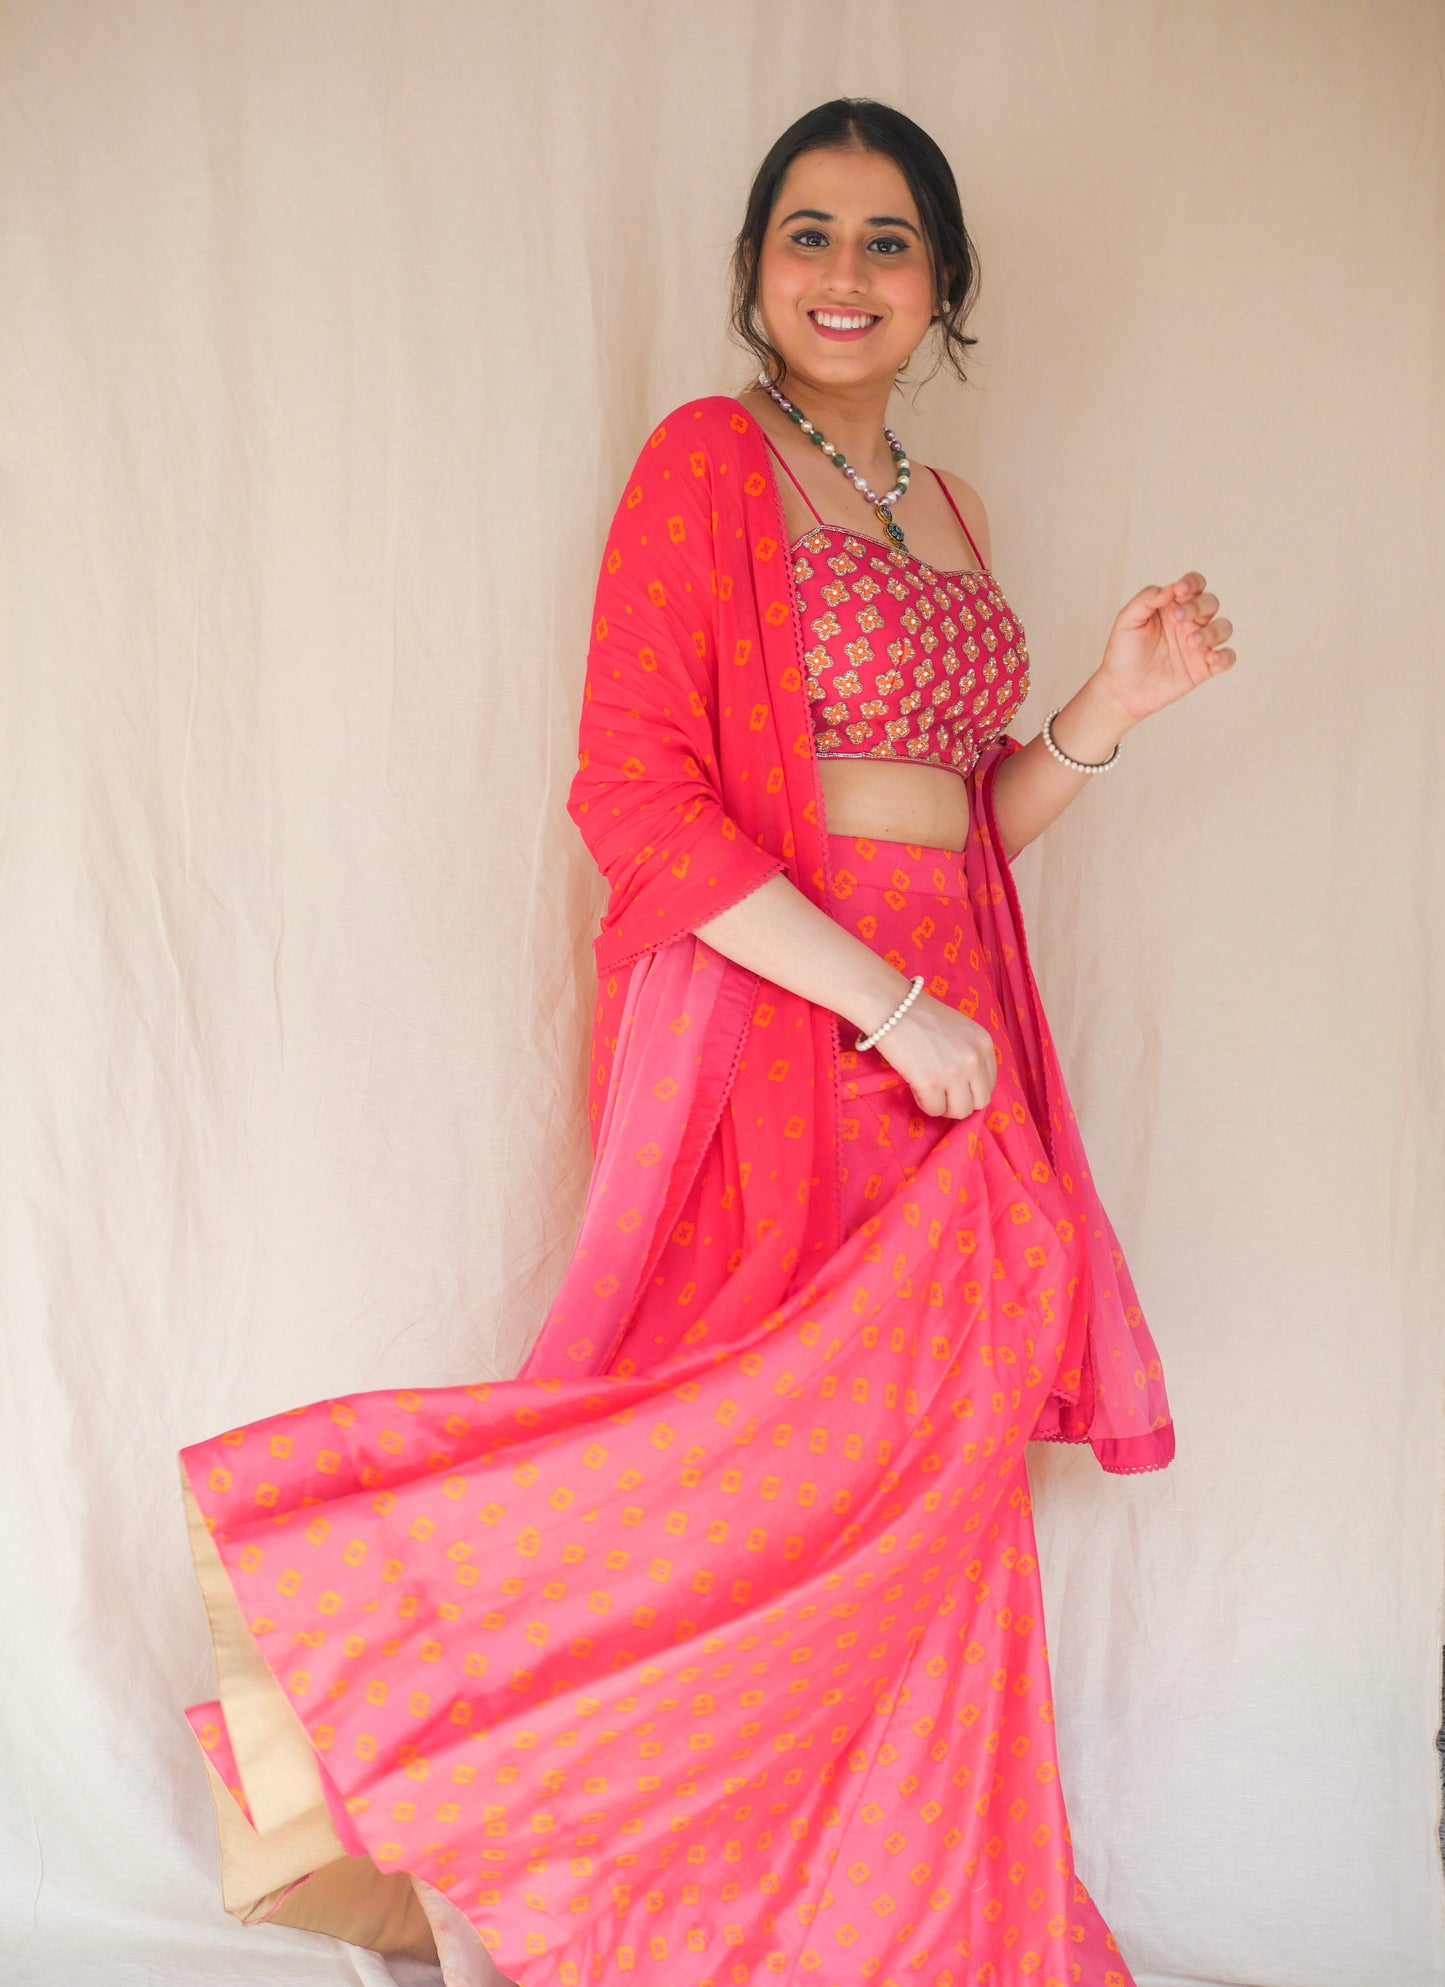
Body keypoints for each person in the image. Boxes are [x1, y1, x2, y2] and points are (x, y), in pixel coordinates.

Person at [177, 98, 1234, 1987]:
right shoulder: (705, 462)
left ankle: (879, 1917)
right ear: (755, 271)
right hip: (786, 1035)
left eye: (888, 240)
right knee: (735, 1479)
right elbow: (638, 802)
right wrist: (886, 1008)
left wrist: (1109, 705)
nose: (846, 272)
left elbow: (960, 825)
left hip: (952, 1046)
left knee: (912, 1507)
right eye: (808, 234)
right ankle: (474, 1826)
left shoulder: (954, 511)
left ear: (943, 282)